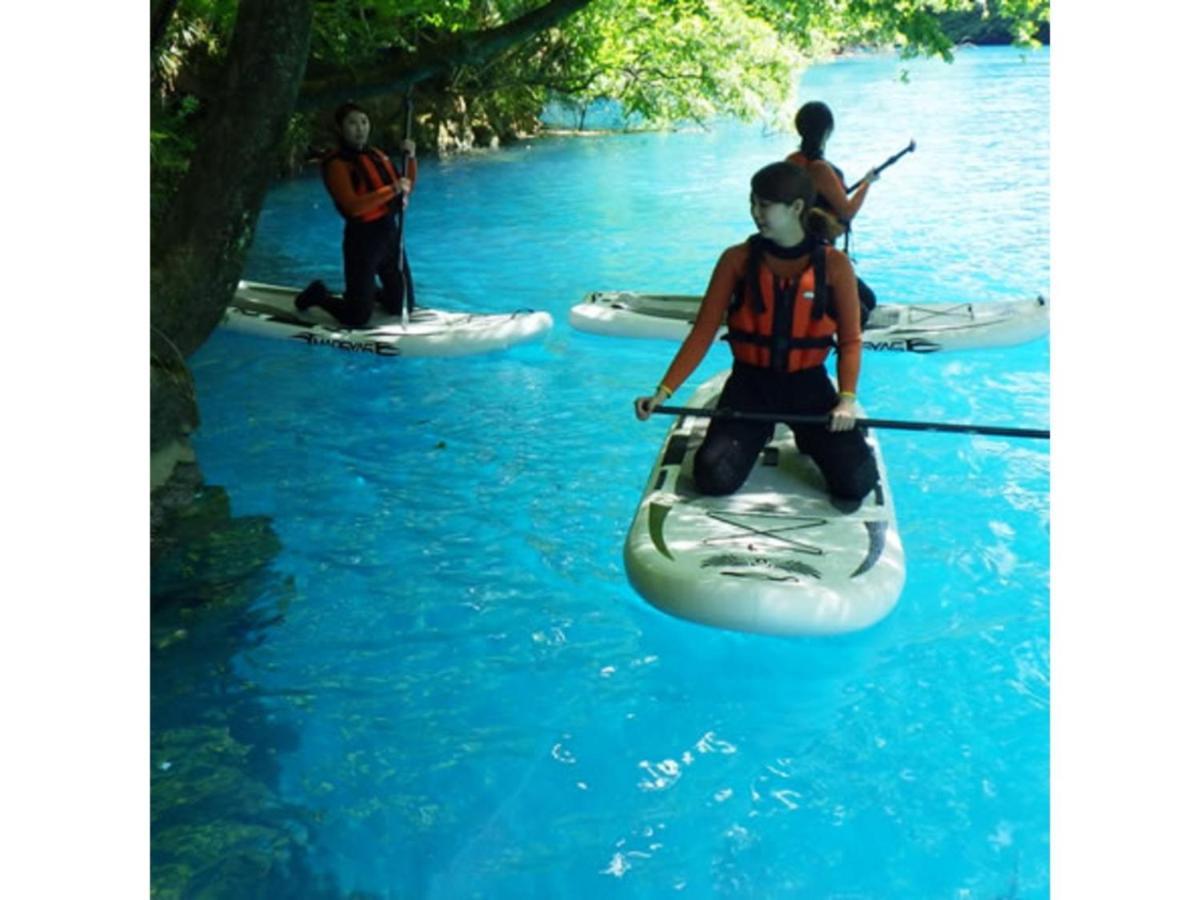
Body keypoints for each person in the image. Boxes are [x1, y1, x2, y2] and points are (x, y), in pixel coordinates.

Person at [634, 161, 879, 505]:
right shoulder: (735, 260)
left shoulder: (835, 265)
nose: (755, 212)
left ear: (795, 208)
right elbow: (702, 332)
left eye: (764, 205)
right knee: (712, 477)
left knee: (857, 481)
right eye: (752, 203)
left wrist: (847, 400)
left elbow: (851, 340)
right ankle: (757, 431)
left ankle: (810, 436)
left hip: (809, 388)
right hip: (750, 387)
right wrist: (663, 393)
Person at [295, 101, 417, 327]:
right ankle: (319, 295)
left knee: (403, 306)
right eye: (352, 123)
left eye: (364, 122)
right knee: (357, 318)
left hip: (390, 235)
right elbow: (353, 206)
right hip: (363, 241)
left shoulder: (377, 155)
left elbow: (406, 189)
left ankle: (366, 293)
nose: (360, 128)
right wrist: (392, 189)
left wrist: (411, 158)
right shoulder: (336, 164)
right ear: (340, 129)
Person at [786, 100, 879, 322]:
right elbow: (847, 212)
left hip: (799, 250)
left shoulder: (790, 161)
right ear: (827, 131)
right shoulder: (819, 168)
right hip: (816, 257)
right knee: (861, 314)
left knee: (869, 299)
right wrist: (867, 183)